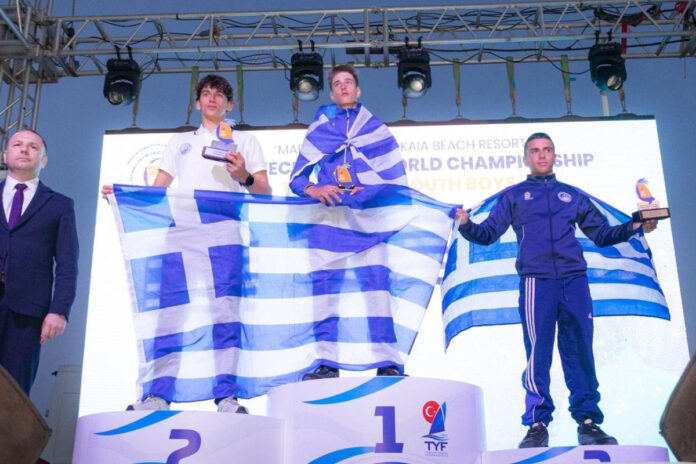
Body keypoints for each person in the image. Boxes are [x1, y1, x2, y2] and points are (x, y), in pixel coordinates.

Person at [456, 132, 657, 448]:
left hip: (574, 280)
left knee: (580, 351)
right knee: (538, 353)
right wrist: (466, 224)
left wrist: (635, 226)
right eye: (535, 151)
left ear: (554, 155)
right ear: (526, 159)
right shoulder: (514, 196)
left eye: (547, 150)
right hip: (537, 282)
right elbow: (487, 233)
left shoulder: (572, 195)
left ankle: (588, 423)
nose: (541, 155)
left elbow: (602, 234)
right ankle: (537, 424)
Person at [102, 74, 271, 412]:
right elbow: (158, 189)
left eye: (219, 94)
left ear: (229, 104)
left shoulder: (244, 141)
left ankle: (227, 396)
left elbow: (264, 191)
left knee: (225, 315)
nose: (212, 99)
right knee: (170, 315)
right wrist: (124, 196)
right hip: (181, 233)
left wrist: (243, 176)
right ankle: (157, 395)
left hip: (224, 232)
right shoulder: (179, 142)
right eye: (206, 93)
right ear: (197, 103)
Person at [289, 64, 408, 380]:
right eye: (337, 83)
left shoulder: (377, 130)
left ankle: (388, 363)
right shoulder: (320, 130)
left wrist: (368, 190)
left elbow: (395, 181)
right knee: (326, 293)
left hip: (368, 220)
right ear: (331, 93)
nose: (343, 87)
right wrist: (315, 189)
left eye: (348, 82)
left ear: (358, 90)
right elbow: (297, 179)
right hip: (329, 221)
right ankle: (326, 363)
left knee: (377, 291)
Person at [0, 128, 79, 395]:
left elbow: (68, 263)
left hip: (27, 312)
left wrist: (59, 310)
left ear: (43, 160)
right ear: (5, 155)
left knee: (14, 392)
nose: (24, 149)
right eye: (17, 144)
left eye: (33, 147)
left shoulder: (59, 205)